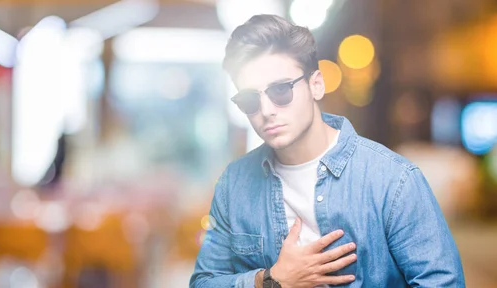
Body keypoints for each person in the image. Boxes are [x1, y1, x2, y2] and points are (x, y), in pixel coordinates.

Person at [190, 14, 465, 288]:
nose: (266, 111)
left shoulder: (394, 181)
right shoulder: (233, 184)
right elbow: (203, 282)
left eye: (281, 90)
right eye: (249, 99)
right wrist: (270, 281)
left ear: (316, 85)